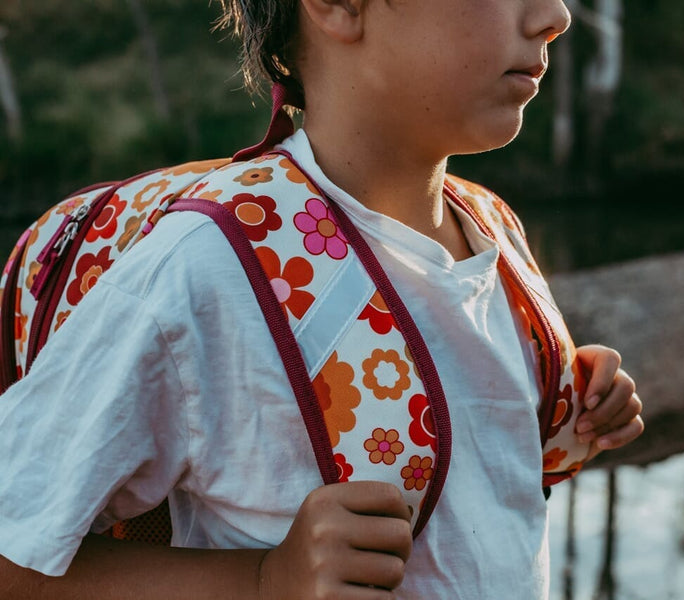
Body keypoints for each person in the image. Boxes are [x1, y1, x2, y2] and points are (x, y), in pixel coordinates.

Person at [0, 0, 644, 597]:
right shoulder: (202, 266)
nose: (555, 15)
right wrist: (262, 579)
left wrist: (566, 396)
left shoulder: (491, 228)